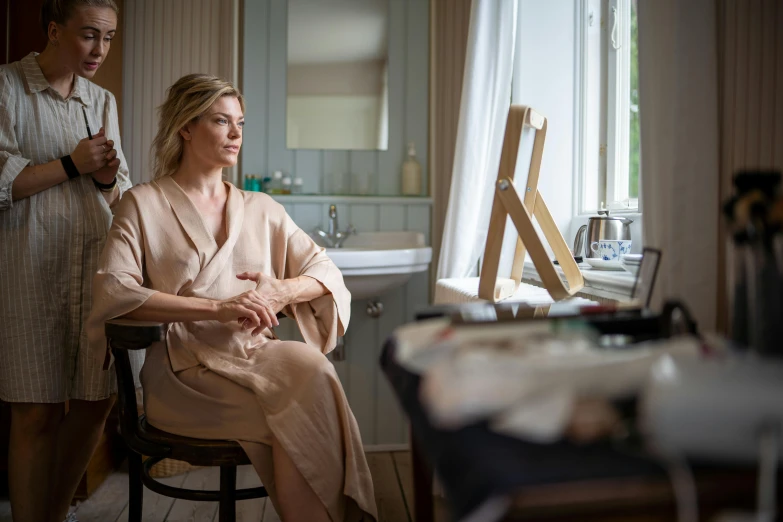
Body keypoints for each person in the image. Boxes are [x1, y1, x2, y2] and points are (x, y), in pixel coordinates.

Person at [86, 74, 377, 522]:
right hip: (184, 373)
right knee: (307, 416)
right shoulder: (141, 204)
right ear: (186, 126)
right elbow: (114, 289)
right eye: (222, 121)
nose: (237, 134)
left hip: (257, 357)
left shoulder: (262, 208)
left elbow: (326, 272)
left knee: (312, 371)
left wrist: (281, 289)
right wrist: (218, 308)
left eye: (240, 122)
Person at [0, 1, 132, 520]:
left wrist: (104, 177)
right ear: (55, 30)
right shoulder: (7, 87)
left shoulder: (101, 100)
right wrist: (73, 165)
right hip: (28, 266)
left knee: (97, 402)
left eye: (109, 38)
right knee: (34, 411)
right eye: (88, 36)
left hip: (93, 267)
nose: (100, 50)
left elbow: (117, 193)